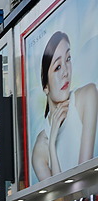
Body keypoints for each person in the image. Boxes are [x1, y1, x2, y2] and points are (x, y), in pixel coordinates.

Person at [32, 31, 98, 181]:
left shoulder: (88, 95)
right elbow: (58, 198)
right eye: (57, 67)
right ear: (46, 87)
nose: (66, 72)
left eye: (68, 59)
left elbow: (84, 175)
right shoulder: (40, 148)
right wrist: (52, 146)